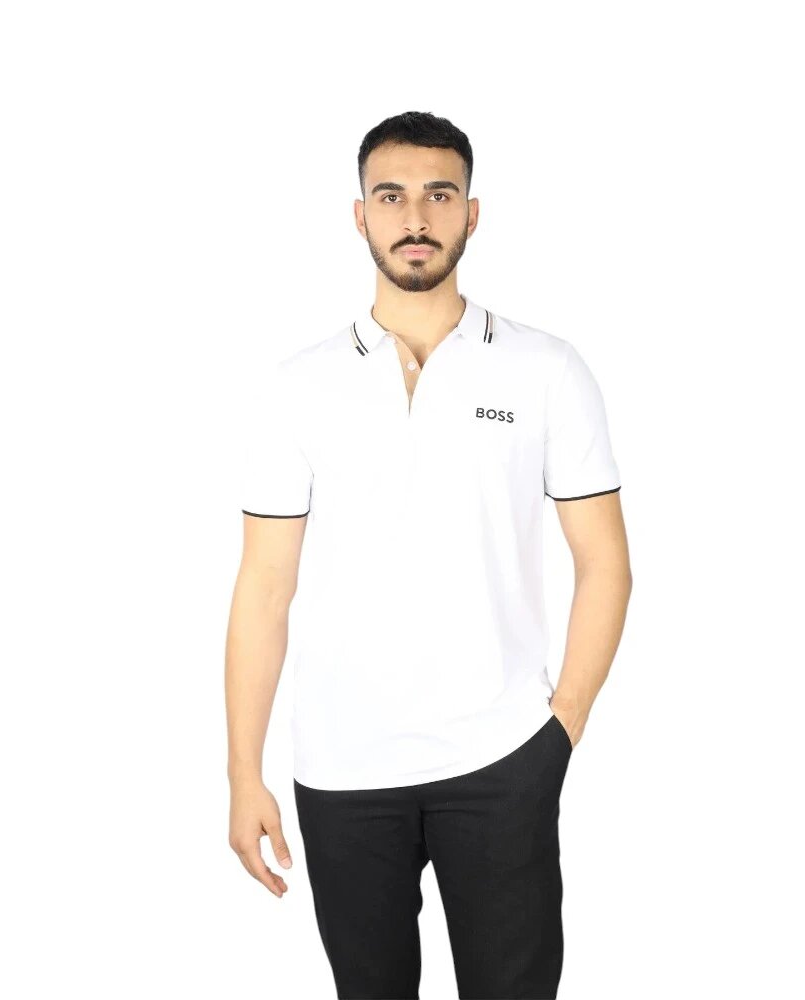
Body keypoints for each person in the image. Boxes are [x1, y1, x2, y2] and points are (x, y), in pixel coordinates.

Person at [225, 110, 633, 999]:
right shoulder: (298, 386)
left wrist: (560, 728)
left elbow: (605, 561)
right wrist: (242, 772)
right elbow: (264, 589)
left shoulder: (546, 369)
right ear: (360, 216)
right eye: (392, 196)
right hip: (341, 770)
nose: (416, 217)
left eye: (439, 195)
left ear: (471, 213)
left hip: (502, 758)